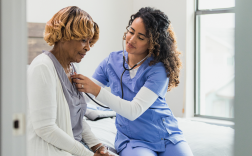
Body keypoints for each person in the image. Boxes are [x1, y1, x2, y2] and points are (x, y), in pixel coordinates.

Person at [71, 7, 194, 156]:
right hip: (132, 140)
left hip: (167, 135)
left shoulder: (158, 69)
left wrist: (96, 90)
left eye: (141, 37)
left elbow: (133, 111)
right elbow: (83, 97)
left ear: (153, 43)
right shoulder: (111, 61)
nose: (131, 39)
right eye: (131, 31)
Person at [27, 6, 113, 156]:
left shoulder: (71, 69)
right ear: (64, 35)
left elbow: (77, 119)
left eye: (89, 41)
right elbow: (45, 128)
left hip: (73, 145)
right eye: (83, 40)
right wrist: (88, 154)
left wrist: (98, 146)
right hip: (49, 149)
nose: (88, 47)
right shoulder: (43, 67)